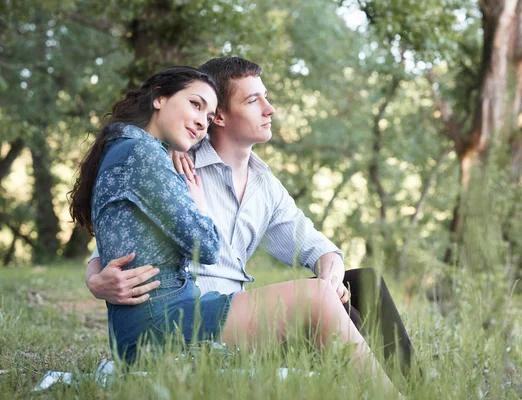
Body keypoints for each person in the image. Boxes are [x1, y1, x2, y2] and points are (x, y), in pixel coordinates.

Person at [86, 58, 413, 385]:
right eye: (254, 100)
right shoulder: (178, 160)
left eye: (266, 98)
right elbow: (122, 233)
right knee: (337, 312)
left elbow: (316, 246)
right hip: (198, 310)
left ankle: (416, 387)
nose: (270, 109)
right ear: (223, 118)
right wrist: (95, 277)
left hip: (232, 311)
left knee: (361, 285)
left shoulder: (264, 184)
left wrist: (330, 276)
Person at [69, 66, 224, 364]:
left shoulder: (133, 148)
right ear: (159, 98)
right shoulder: (142, 153)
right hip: (162, 322)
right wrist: (199, 203)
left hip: (158, 319)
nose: (202, 123)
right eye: (195, 104)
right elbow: (207, 246)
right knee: (314, 301)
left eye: (208, 118)